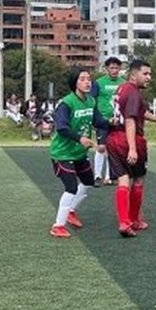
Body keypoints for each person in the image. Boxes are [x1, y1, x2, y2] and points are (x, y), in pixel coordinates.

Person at [107, 59, 156, 237]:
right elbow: (130, 120)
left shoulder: (122, 88)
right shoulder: (134, 93)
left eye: (150, 74)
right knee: (138, 179)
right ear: (134, 75)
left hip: (113, 138)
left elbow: (140, 112)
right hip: (128, 138)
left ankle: (124, 222)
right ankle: (133, 219)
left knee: (122, 179)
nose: (149, 77)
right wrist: (133, 148)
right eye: (145, 74)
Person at [49, 69, 113, 238]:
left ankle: (71, 211)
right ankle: (57, 226)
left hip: (78, 153)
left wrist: (112, 123)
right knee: (70, 188)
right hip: (62, 154)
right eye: (83, 79)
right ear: (74, 83)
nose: (87, 82)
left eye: (89, 79)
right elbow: (62, 127)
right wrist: (80, 139)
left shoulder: (91, 101)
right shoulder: (66, 103)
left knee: (88, 182)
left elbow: (98, 121)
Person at [90, 57, 125, 186]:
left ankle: (110, 176)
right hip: (103, 121)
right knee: (101, 147)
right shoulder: (98, 83)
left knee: (114, 148)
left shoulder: (124, 83)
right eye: (112, 68)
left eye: (117, 68)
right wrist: (97, 119)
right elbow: (92, 100)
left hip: (118, 121)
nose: (114, 70)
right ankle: (97, 176)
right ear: (106, 69)